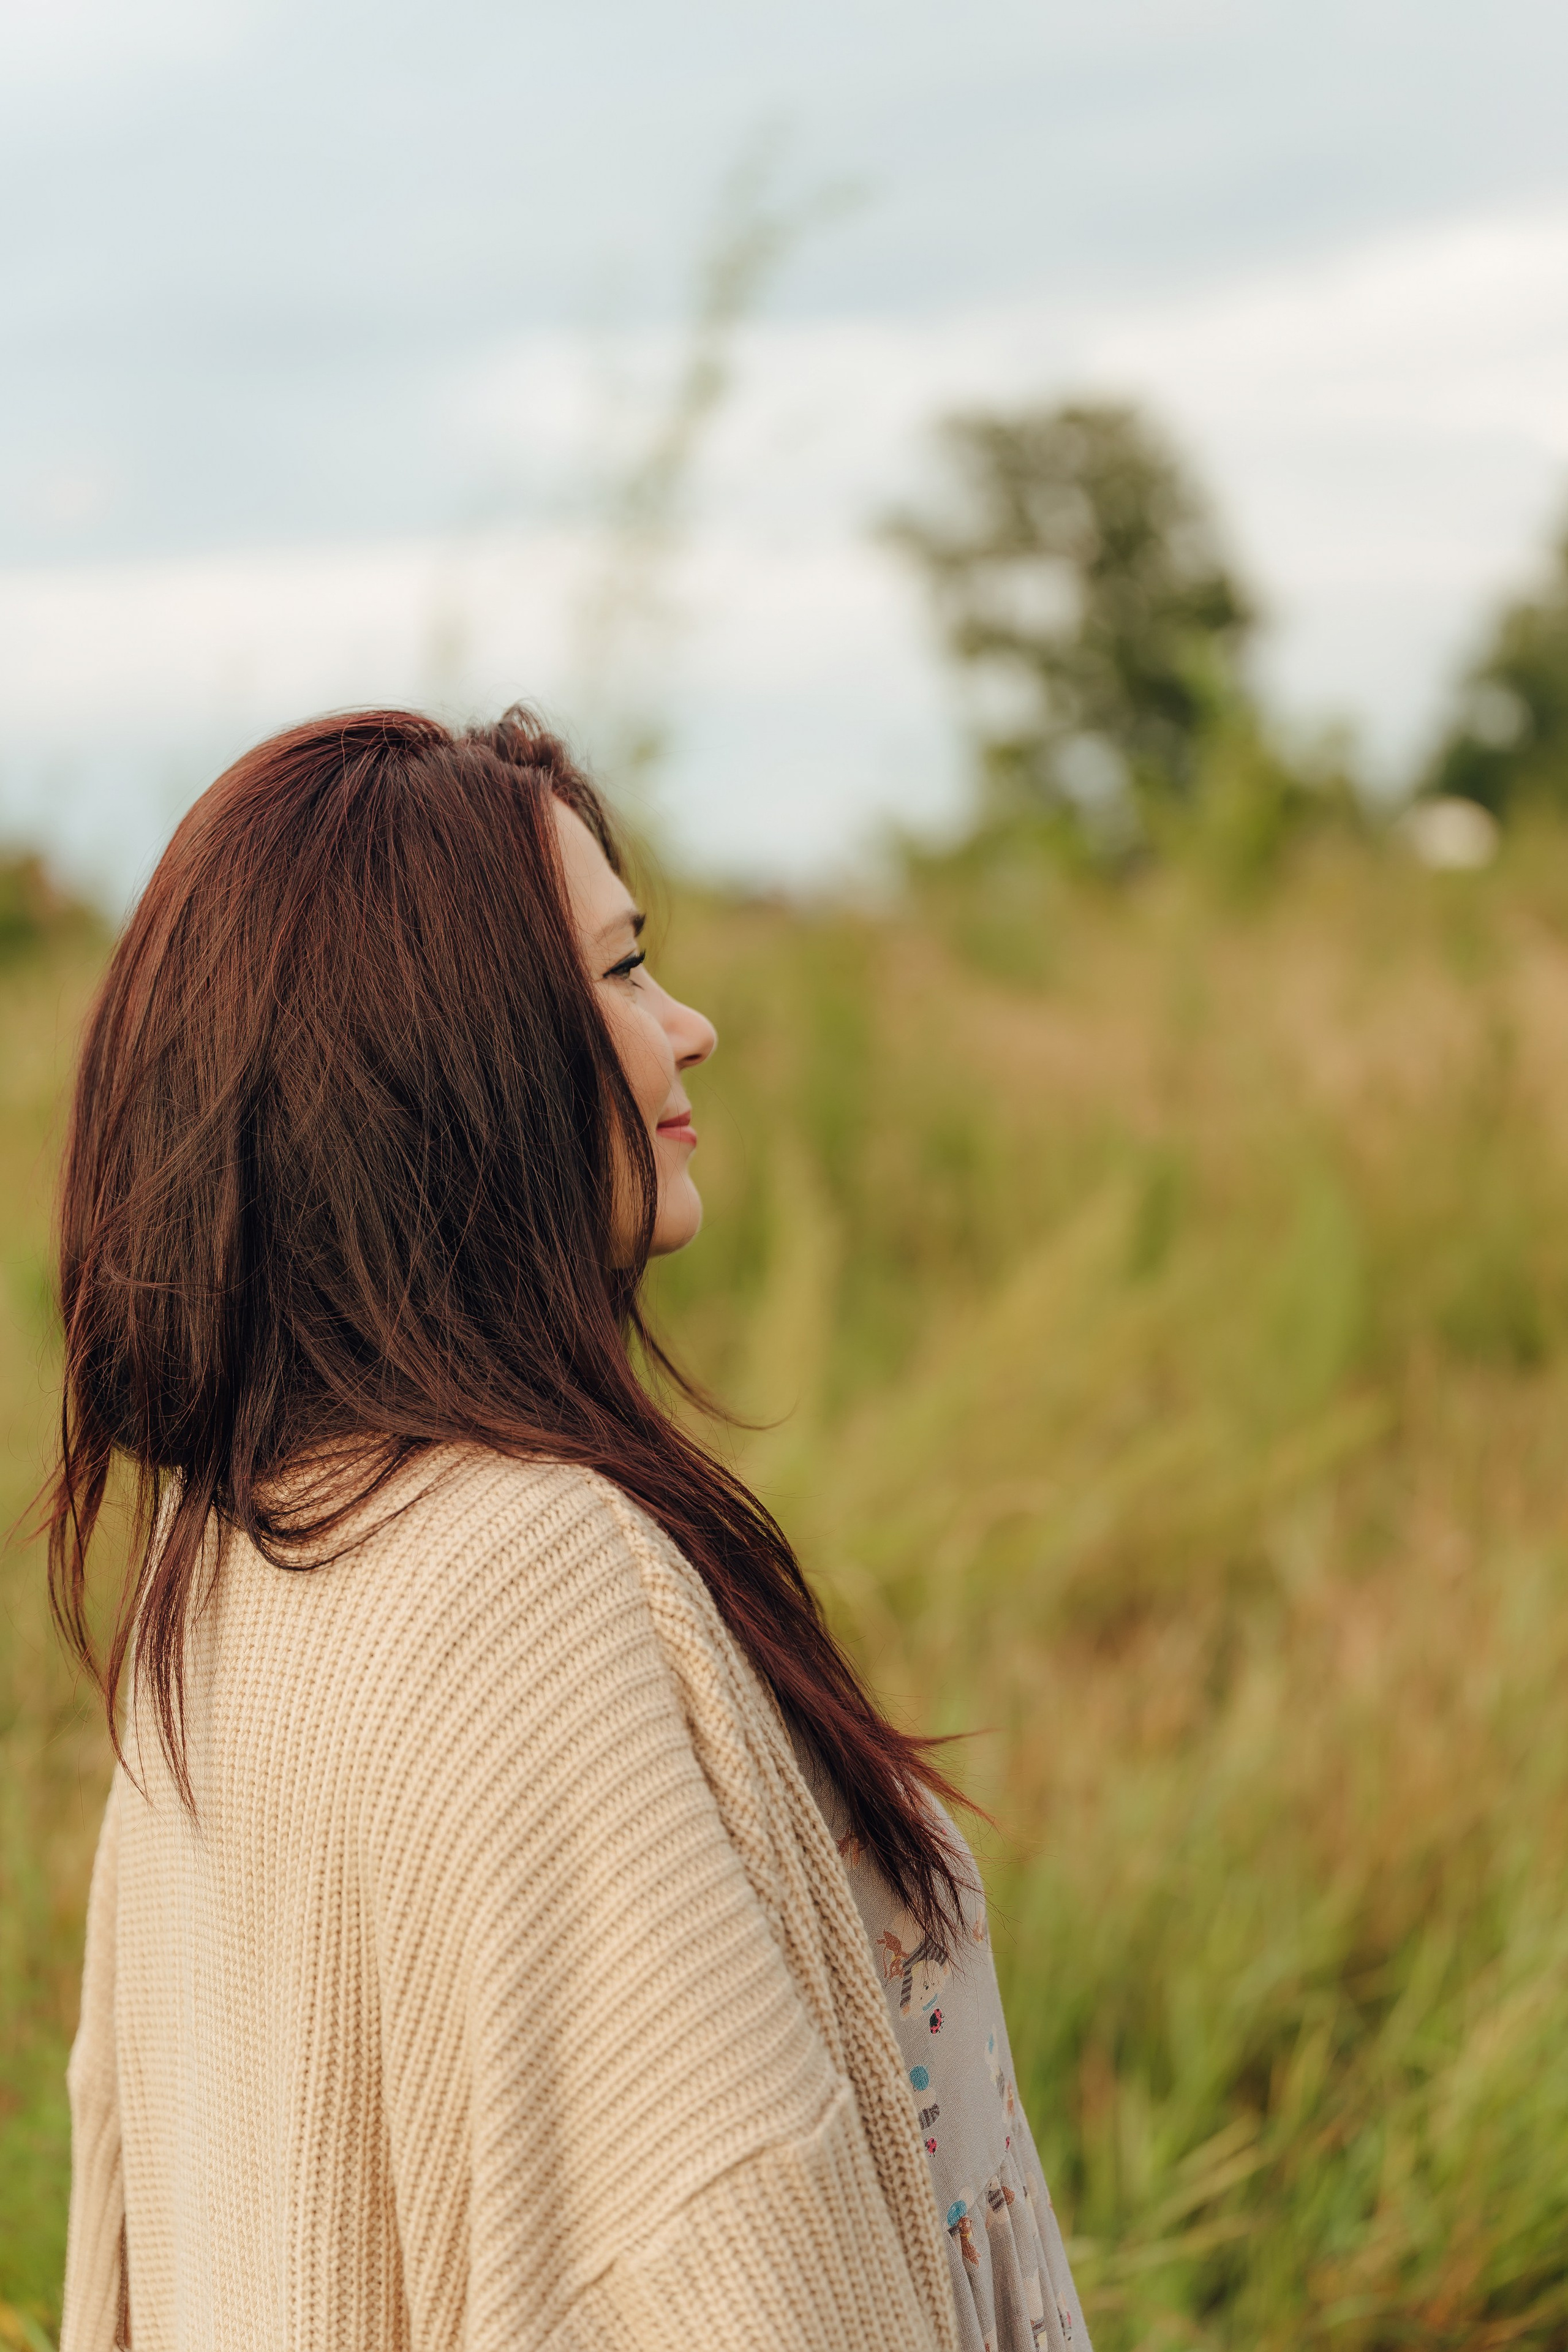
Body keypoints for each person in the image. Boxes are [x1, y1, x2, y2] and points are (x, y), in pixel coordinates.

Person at [50, 709, 1089, 2352]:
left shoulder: (236, 1561)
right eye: (618, 974)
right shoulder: (526, 1574)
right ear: (448, 1053)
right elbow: (714, 2268)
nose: (692, 1026)